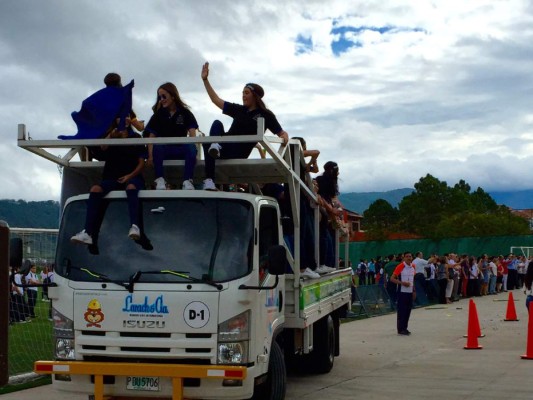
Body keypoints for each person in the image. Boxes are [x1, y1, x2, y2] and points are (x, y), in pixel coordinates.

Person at [200, 62, 289, 190]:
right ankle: (210, 179)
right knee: (216, 125)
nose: (243, 95)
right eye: (242, 92)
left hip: (238, 150)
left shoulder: (265, 114)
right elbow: (216, 100)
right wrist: (205, 80)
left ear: (255, 95)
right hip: (223, 148)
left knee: (212, 141)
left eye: (246, 93)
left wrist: (285, 137)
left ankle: (215, 147)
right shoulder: (239, 109)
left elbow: (281, 133)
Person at [70, 120, 145, 246]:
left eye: (125, 116)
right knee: (95, 189)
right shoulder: (109, 137)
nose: (123, 119)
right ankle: (87, 233)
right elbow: (101, 149)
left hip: (132, 177)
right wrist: (112, 135)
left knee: (131, 187)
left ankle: (135, 226)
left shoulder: (136, 138)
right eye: (119, 117)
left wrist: (129, 176)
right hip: (112, 178)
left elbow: (142, 162)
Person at [144, 82, 198, 190]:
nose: (161, 99)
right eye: (159, 97)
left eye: (164, 96)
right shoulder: (158, 115)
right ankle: (160, 179)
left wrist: (194, 152)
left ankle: (187, 180)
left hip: (180, 149)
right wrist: (150, 156)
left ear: (173, 96)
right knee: (158, 145)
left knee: (190, 146)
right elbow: (151, 136)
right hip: (164, 150)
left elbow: (192, 134)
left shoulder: (185, 113)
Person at [390, 252, 416, 335]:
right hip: (402, 292)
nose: (409, 258)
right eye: (407, 256)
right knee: (402, 310)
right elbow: (392, 278)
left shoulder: (413, 266)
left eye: (410, 256)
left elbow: (413, 280)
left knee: (408, 310)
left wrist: (414, 290)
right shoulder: (401, 266)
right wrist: (401, 283)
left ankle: (405, 327)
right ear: (404, 258)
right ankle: (400, 328)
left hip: (409, 292)